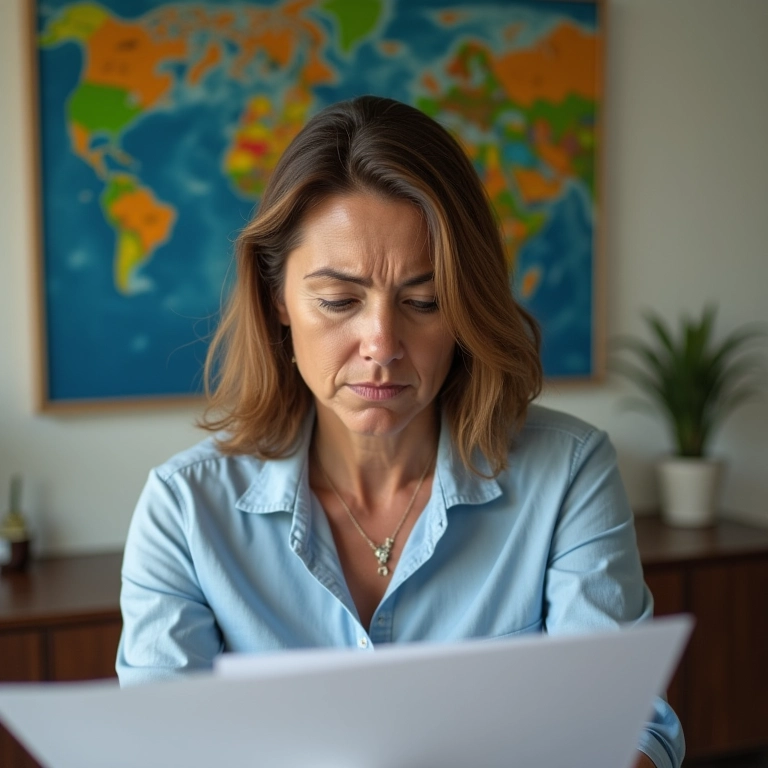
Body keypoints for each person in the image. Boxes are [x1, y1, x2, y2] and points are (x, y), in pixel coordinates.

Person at [117, 96, 683, 768]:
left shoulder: (568, 475)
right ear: (277, 300)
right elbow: (157, 748)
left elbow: (629, 727)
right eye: (338, 301)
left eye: (424, 301)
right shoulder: (184, 510)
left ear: (467, 305)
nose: (381, 344)